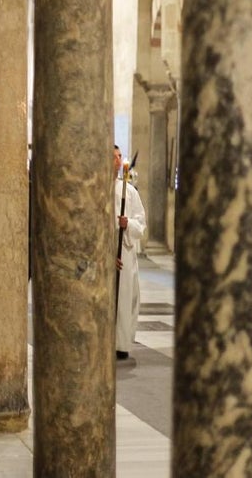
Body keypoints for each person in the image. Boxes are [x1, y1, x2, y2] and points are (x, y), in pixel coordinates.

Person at [113, 145, 146, 361]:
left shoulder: (129, 191)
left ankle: (121, 343)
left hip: (124, 252)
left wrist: (128, 224)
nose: (116, 161)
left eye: (119, 157)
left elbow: (140, 222)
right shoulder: (95, 190)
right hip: (107, 253)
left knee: (125, 297)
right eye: (112, 157)